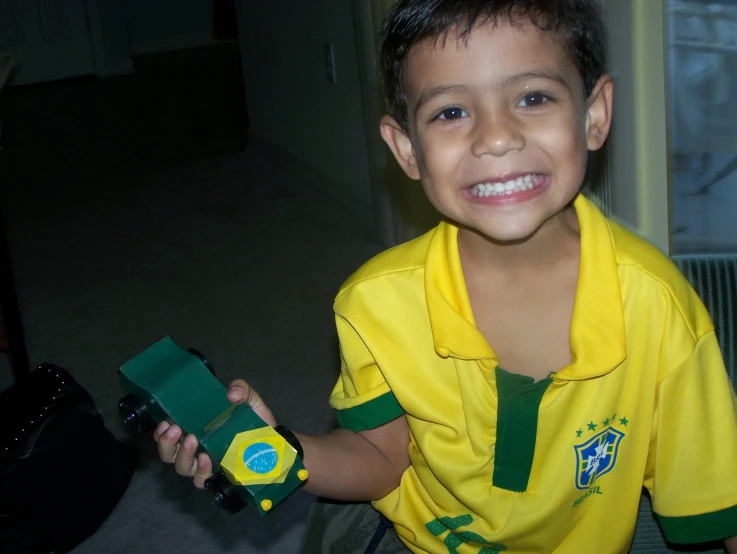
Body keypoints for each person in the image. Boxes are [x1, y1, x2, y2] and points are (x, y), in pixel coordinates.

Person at [154, 0, 737, 552]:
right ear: (407, 150)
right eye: (451, 112)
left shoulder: (659, 304)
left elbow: (718, 491)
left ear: (595, 114)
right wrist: (275, 447)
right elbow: (380, 460)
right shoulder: (375, 304)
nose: (497, 137)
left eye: (533, 97)